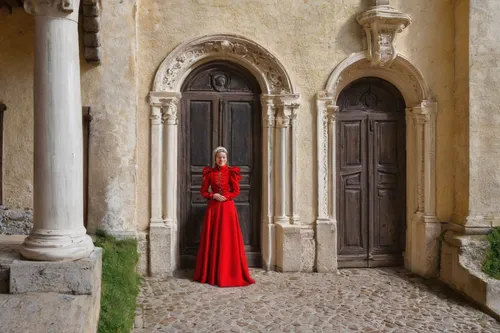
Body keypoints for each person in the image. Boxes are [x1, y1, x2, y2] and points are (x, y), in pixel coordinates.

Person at [193, 146, 255, 287]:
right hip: (213, 208)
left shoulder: (232, 172)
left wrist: (225, 197)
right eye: (219, 157)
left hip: (227, 209)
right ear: (215, 158)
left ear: (226, 159)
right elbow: (203, 192)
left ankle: (228, 272)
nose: (221, 159)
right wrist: (212, 195)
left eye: (224, 157)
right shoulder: (209, 173)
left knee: (227, 238)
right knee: (213, 238)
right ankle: (212, 273)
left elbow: (236, 191)